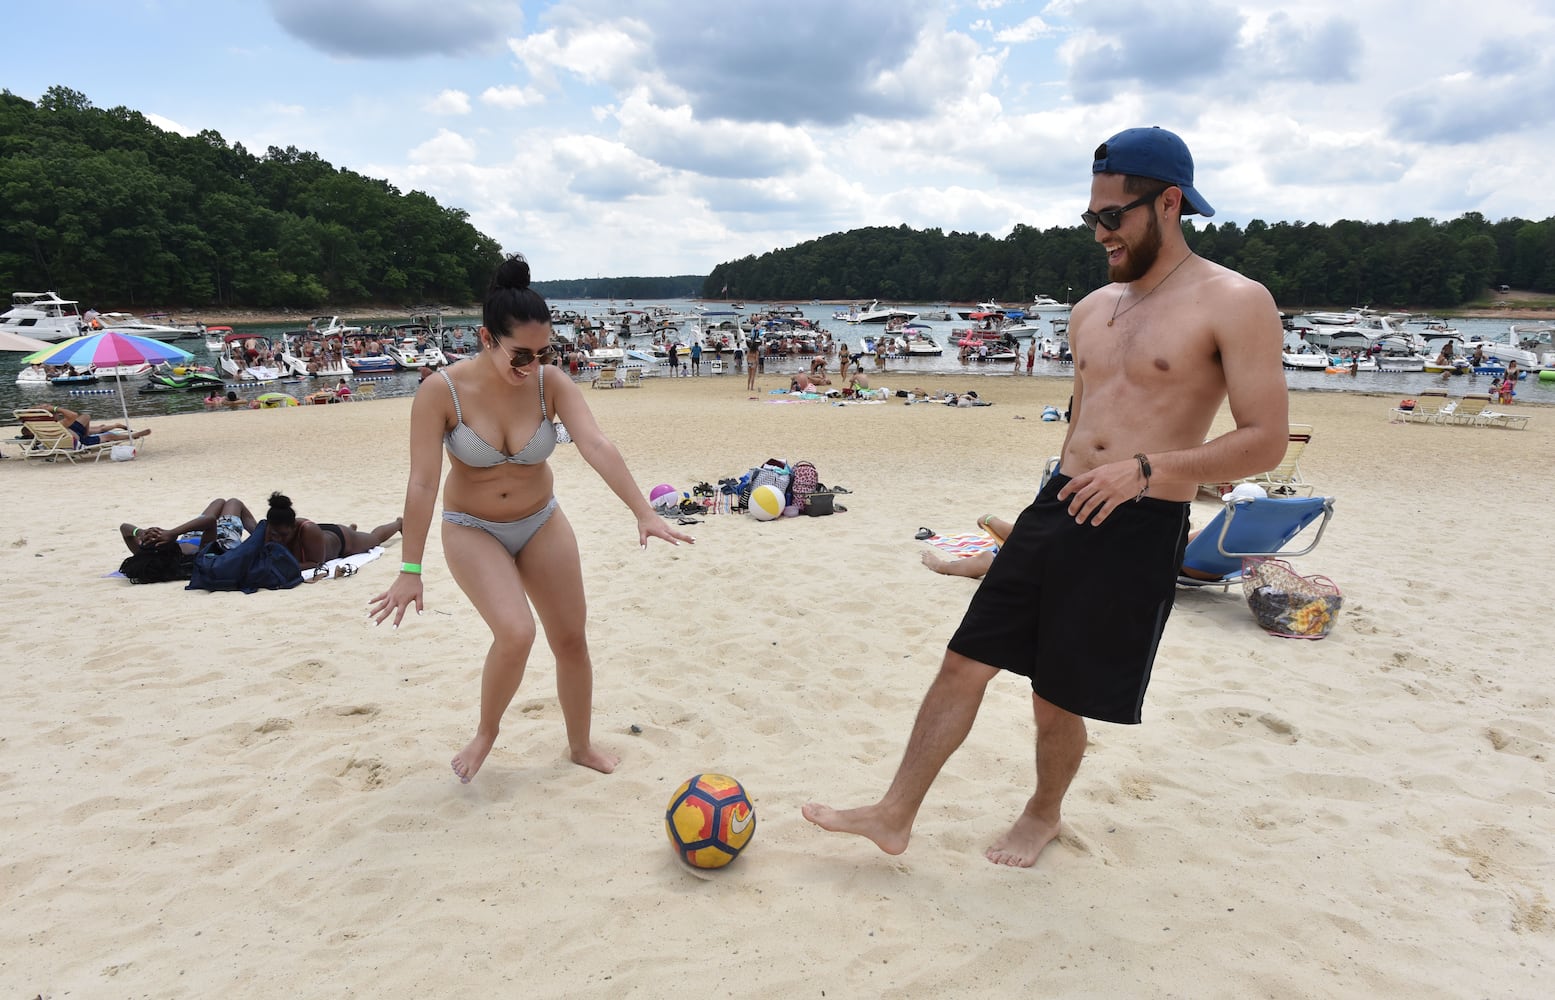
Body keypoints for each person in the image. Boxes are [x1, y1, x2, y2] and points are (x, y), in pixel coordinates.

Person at [804, 126, 1289, 867]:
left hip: (1139, 520)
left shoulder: (1234, 300)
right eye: (1089, 217)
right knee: (963, 659)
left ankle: (1043, 811)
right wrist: (1034, 519)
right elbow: (1083, 422)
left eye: (1112, 217)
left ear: (1167, 204)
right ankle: (893, 813)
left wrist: (1146, 470)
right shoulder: (1091, 308)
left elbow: (1264, 440)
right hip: (1056, 506)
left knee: (1053, 694)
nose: (1098, 234)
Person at [368, 254, 693, 784]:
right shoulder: (440, 391)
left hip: (541, 520)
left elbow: (595, 443)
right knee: (516, 633)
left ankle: (580, 745)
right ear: (485, 337)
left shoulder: (549, 383)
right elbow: (423, 483)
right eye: (520, 354)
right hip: (473, 528)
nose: (531, 366)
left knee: (571, 638)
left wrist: (643, 510)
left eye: (543, 353)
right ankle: (486, 733)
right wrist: (410, 569)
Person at [262, 492, 403, 571]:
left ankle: (398, 523)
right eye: (275, 534)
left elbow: (316, 563)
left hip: (342, 541)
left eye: (284, 535)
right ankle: (351, 529)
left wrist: (285, 567)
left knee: (374, 539)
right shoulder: (270, 529)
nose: (279, 539)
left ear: (293, 527)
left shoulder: (307, 529)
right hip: (322, 538)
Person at [120, 497, 257, 555]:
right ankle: (261, 537)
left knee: (219, 501)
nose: (158, 534)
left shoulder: (143, 554)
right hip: (221, 540)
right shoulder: (192, 555)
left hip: (192, 534)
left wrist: (140, 532)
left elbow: (124, 528)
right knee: (234, 502)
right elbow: (210, 521)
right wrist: (173, 532)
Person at [38, 404, 150, 446]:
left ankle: (115, 425)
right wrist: (55, 408)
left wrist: (39, 408)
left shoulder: (38, 424)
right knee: (109, 435)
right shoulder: (59, 424)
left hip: (68, 434)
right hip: (78, 441)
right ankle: (132, 436)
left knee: (87, 418)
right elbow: (73, 415)